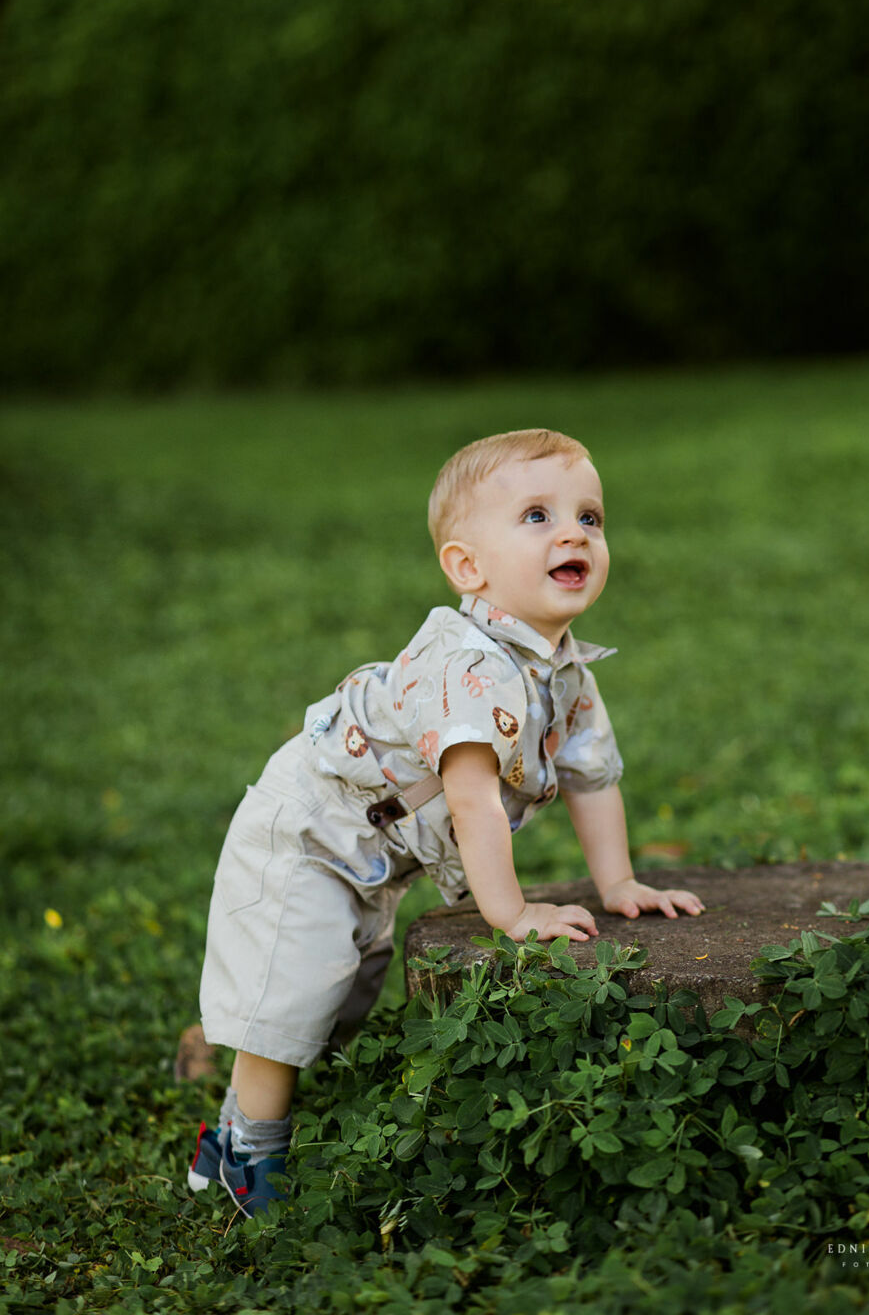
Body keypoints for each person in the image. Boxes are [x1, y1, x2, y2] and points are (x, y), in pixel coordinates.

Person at [188, 428, 704, 1216]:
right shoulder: (466, 665)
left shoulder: (562, 671)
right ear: (469, 567)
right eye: (536, 516)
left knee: (339, 991)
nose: (573, 533)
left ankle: (225, 1136)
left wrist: (619, 881)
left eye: (589, 518)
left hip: (372, 845)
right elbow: (470, 802)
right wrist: (511, 912)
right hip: (311, 830)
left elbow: (592, 777)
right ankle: (249, 1156)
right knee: (289, 998)